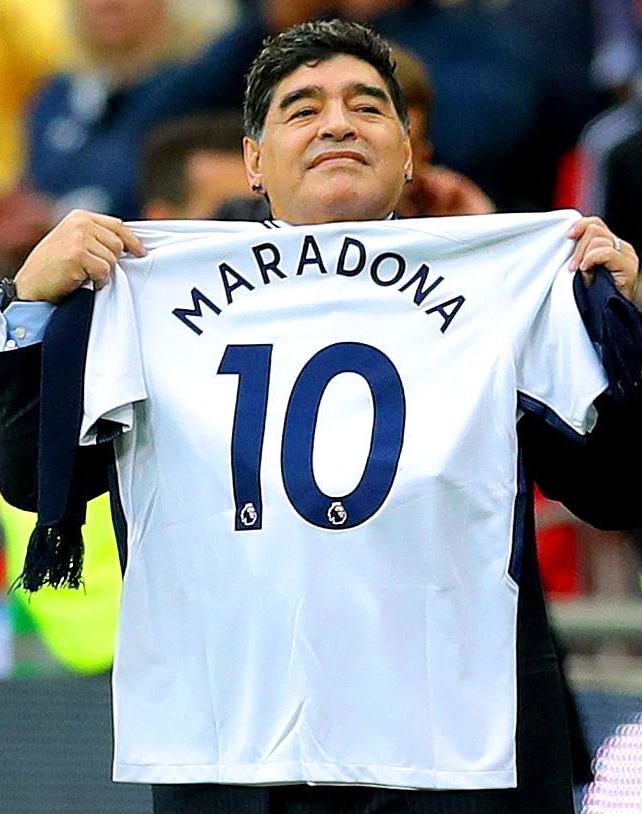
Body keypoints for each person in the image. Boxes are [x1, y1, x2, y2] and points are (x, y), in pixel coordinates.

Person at [1, 19, 641, 814]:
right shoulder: (147, 289)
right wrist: (27, 308)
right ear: (253, 161)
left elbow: (617, 493)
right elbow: (33, 475)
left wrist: (627, 334)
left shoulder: (503, 292)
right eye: (303, 108)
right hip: (235, 762)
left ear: (410, 153)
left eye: (368, 106)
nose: (337, 121)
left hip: (455, 767)